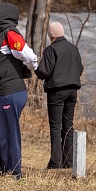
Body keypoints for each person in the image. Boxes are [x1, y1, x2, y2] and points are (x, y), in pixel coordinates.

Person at [0, 2, 37, 178]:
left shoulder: (10, 34)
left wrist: (26, 69)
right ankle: (1, 172)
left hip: (9, 92)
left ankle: (14, 174)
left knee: (8, 134)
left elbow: (30, 57)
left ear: (3, 15)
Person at [35, 21, 83, 169]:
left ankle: (55, 163)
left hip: (56, 91)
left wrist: (36, 68)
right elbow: (80, 68)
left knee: (55, 126)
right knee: (68, 126)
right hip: (72, 91)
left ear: (50, 36)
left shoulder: (51, 49)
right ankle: (69, 162)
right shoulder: (73, 48)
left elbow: (44, 72)